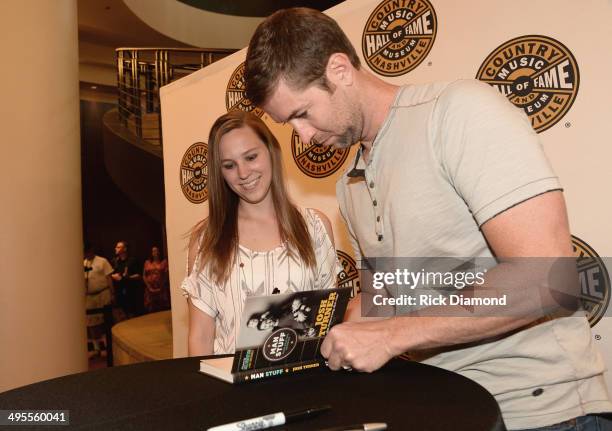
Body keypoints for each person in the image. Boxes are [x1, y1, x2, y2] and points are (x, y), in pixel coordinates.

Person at [244, 8, 612, 430]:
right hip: (445, 406)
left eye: (302, 113)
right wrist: (283, 337)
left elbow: (548, 278)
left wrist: (394, 335)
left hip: (540, 412)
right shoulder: (349, 185)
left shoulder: (455, 113)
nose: (303, 137)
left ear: (340, 69)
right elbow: (385, 299)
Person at [181, 110, 340, 355]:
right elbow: (200, 338)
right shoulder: (207, 240)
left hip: (305, 386)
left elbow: (328, 324)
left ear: (271, 152)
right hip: (233, 391)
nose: (243, 173)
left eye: (251, 157)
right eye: (229, 165)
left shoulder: (314, 226)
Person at [84, 242, 113, 356]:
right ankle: (96, 348)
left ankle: (106, 346)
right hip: (89, 296)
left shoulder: (102, 261)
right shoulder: (84, 263)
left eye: (87, 252)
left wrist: (112, 293)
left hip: (103, 293)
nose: (86, 254)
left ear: (92, 250)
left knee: (104, 321)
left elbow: (109, 277)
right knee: (91, 322)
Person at [111, 240, 143, 318]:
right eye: (116, 247)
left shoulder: (132, 260)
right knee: (121, 316)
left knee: (132, 315)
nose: (115, 248)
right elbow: (110, 274)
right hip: (119, 292)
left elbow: (139, 275)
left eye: (118, 247)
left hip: (131, 292)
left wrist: (128, 277)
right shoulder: (114, 261)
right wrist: (113, 276)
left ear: (125, 249)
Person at [143, 245, 170, 312]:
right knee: (151, 308)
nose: (155, 252)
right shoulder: (147, 262)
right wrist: (149, 287)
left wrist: (161, 287)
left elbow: (166, 275)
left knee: (162, 308)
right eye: (153, 251)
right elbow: (144, 275)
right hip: (150, 290)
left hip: (161, 289)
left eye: (157, 251)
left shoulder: (164, 262)